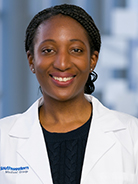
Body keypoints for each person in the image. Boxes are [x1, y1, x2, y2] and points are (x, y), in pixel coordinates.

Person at [0, 4, 138, 184]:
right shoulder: (3, 138)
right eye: (48, 50)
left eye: (76, 50)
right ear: (31, 60)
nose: (62, 64)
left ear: (92, 60)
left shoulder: (132, 134)